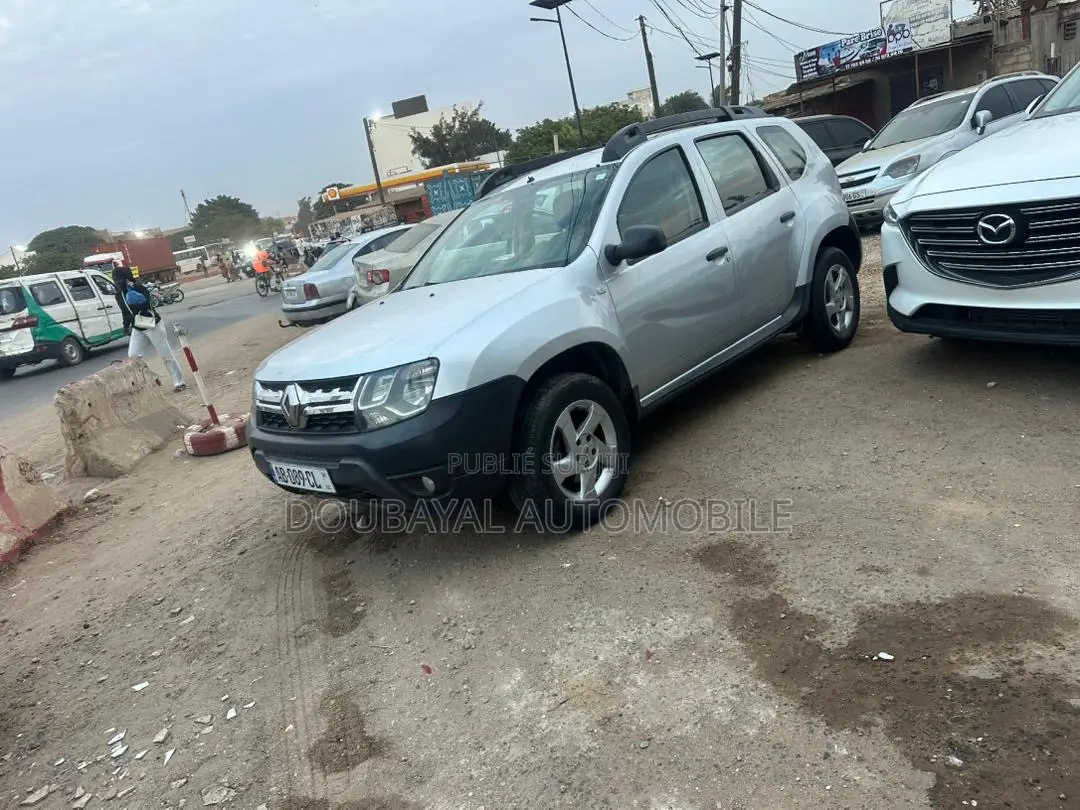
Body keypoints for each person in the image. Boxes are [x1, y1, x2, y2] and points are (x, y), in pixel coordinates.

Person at [113, 265, 187, 393]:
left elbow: (148, 304)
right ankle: (152, 378)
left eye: (118, 279)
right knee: (133, 356)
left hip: (152, 325)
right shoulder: (118, 295)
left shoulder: (139, 288)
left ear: (126, 278)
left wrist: (133, 294)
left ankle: (179, 382)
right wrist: (125, 326)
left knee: (166, 355)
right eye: (115, 280)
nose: (116, 282)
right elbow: (124, 312)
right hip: (138, 327)